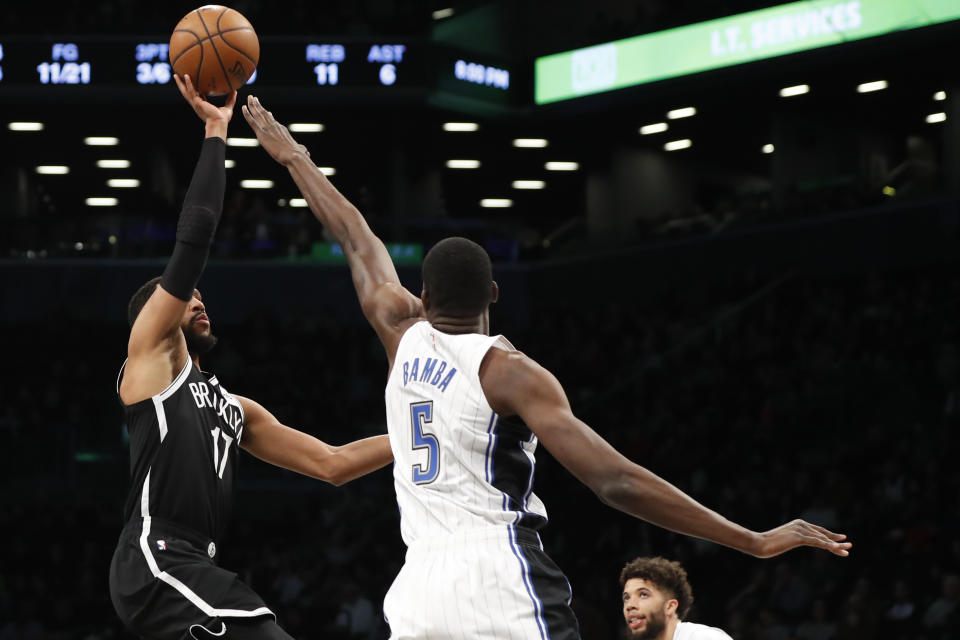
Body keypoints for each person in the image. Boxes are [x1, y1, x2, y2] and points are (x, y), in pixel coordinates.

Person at [241, 95, 852, 639]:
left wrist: (293, 156)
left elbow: (355, 236)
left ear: (421, 298)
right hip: (500, 577)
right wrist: (750, 539)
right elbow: (615, 483)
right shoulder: (511, 372)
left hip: (417, 590)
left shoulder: (398, 331)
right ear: (495, 295)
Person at [108, 76, 393, 640]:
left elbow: (331, 465)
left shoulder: (232, 407)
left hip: (198, 561)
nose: (199, 299)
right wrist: (218, 132)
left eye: (200, 295)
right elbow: (193, 246)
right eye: (188, 296)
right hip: (154, 557)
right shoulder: (150, 361)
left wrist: (422, 432)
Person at [620, 557, 731, 640]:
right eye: (627, 598)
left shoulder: (701, 637)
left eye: (643, 594)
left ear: (670, 607)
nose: (630, 605)